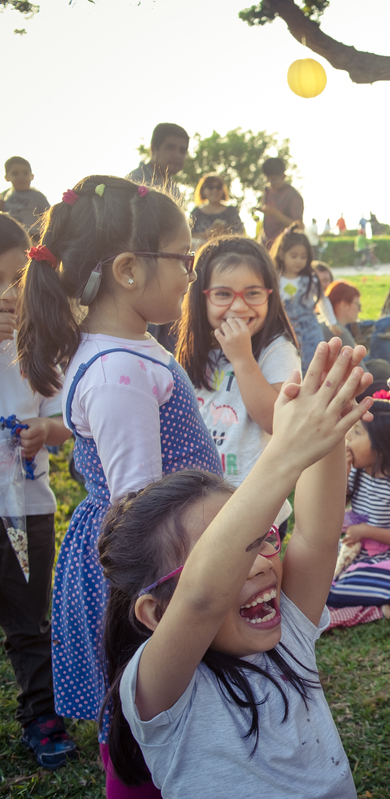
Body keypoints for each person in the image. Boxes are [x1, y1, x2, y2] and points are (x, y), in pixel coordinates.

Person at [16, 176, 222, 798]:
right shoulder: (120, 370)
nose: (191, 271)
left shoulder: (128, 350)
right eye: (183, 257)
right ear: (129, 269)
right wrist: (175, 601)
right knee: (148, 716)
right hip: (150, 567)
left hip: (165, 552)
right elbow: (139, 506)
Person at [100, 339, 372, 797]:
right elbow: (202, 598)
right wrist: (284, 452)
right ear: (156, 613)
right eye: (232, 555)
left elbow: (316, 536)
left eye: (263, 539)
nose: (259, 564)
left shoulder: (289, 636)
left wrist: (325, 430)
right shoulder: (160, 690)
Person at [0, 213, 77, 770]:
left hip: (23, 510)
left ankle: (41, 713)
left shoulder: (37, 350)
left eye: (13, 284)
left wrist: (45, 431)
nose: (6, 299)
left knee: (29, 618)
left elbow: (65, 417)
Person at [174, 236, 301, 514]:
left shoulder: (276, 350)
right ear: (201, 297)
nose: (239, 306)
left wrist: (243, 359)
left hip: (256, 504)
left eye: (253, 293)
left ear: (270, 295)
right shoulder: (200, 349)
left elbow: (277, 421)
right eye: (223, 294)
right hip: (200, 502)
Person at [328, 392, 390, 627]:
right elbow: (334, 506)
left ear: (381, 449)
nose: (349, 438)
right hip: (359, 555)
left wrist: (366, 531)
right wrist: (342, 471)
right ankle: (382, 604)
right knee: (321, 583)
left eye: (358, 433)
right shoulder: (357, 474)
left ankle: (383, 600)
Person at [269, 227, 335, 372]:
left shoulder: (310, 279)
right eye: (293, 256)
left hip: (311, 330)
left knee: (316, 365)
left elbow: (322, 299)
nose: (299, 261)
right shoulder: (274, 279)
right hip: (285, 332)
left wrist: (332, 322)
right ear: (281, 254)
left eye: (303, 257)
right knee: (290, 367)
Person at [126, 123, 189, 190]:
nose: (177, 155)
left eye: (182, 150)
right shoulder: (135, 182)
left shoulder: (174, 189)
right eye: (170, 147)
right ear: (153, 148)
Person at [188, 174, 245, 248]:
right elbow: (188, 235)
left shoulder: (231, 211)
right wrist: (208, 232)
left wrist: (223, 232)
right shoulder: (196, 212)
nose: (215, 190)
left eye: (218, 187)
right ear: (203, 190)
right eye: (210, 187)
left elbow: (240, 234)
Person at [258, 158, 304, 248]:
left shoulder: (294, 196)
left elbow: (299, 227)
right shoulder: (267, 190)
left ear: (283, 176)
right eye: (268, 180)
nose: (271, 183)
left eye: (274, 180)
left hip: (284, 247)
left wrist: (275, 214)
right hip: (266, 244)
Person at [2, 157, 51, 232]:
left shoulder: (37, 196)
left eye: (25, 173)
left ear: (32, 176)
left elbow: (50, 217)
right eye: (15, 174)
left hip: (33, 235)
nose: (21, 177)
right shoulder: (4, 196)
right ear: (7, 178)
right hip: (10, 236)